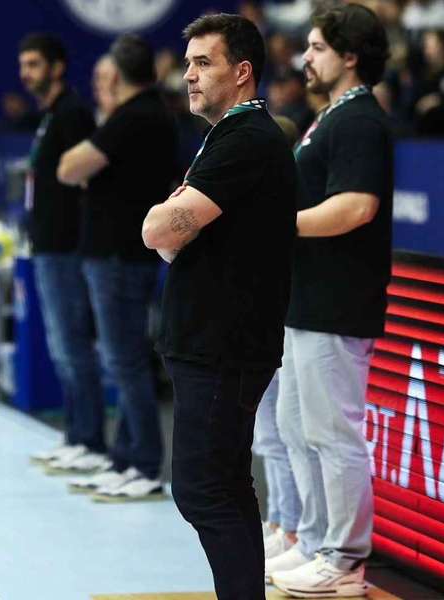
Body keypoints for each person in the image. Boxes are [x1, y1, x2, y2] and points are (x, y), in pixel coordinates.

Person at [142, 13, 296, 599]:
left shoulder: (246, 139)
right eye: (187, 64)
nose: (189, 76)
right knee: (226, 486)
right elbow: (171, 233)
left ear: (243, 71)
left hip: (223, 344)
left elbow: (161, 228)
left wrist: (166, 222)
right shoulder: (232, 137)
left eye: (203, 63)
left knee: (206, 489)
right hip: (215, 340)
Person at [267, 5, 392, 597]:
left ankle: (344, 559)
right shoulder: (329, 119)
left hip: (338, 302)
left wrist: (275, 225)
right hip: (307, 300)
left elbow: (355, 207)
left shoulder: (360, 122)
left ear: (350, 55)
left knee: (333, 433)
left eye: (317, 47)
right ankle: (315, 541)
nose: (305, 58)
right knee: (297, 428)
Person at [57, 34, 176, 501]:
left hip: (118, 257)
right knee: (125, 360)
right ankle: (127, 457)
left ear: (118, 75)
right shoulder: (152, 115)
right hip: (124, 254)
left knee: (125, 361)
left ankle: (144, 462)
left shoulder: (133, 117)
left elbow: (69, 168)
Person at [16, 33, 106, 469]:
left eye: (34, 64)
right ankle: (76, 434)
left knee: (73, 345)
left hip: (67, 247)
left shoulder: (71, 114)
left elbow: (83, 184)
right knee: (61, 346)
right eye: (23, 65)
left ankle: (89, 440)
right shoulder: (50, 115)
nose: (25, 73)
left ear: (56, 66)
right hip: (47, 245)